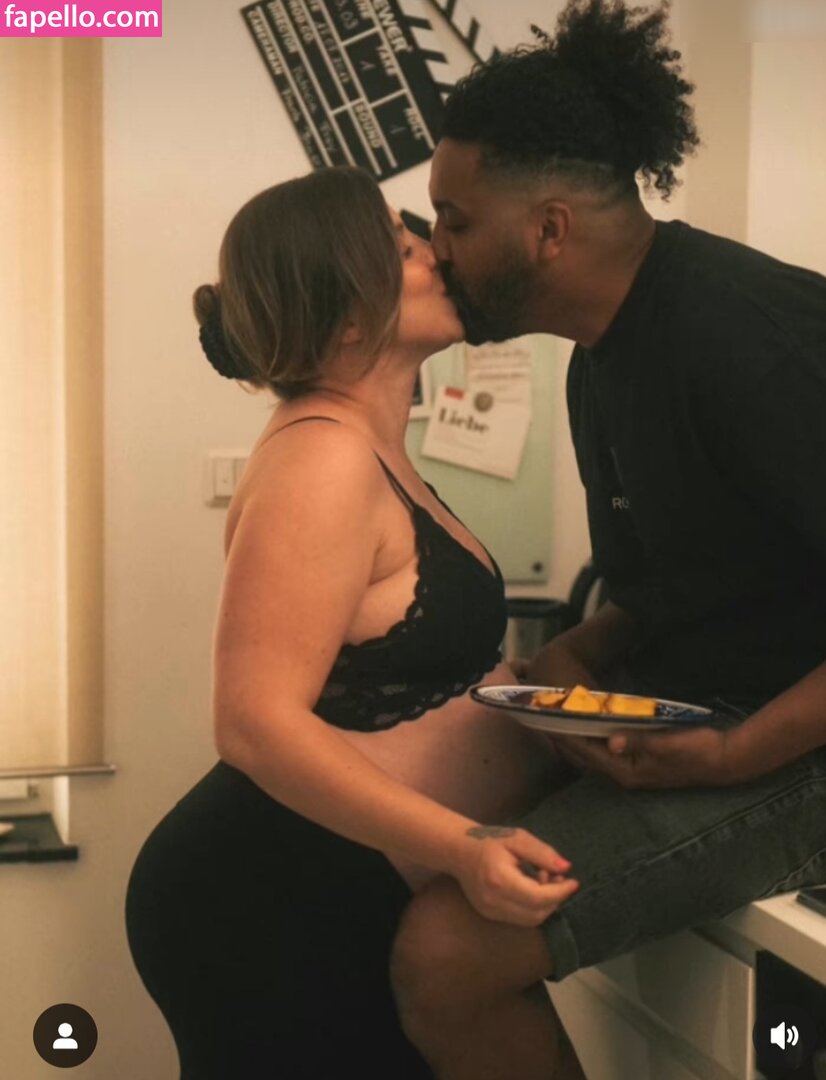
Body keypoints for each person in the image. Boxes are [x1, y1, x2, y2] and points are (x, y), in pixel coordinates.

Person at [388, 2, 826, 1078]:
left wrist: (737, 753)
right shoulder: (599, 362)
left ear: (548, 230)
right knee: (398, 845)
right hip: (715, 722)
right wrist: (581, 652)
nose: (435, 249)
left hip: (816, 762)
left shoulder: (755, 339)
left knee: (444, 957)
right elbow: (687, 575)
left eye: (454, 220)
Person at [124, 166, 578, 1080]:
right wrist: (467, 845)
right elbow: (253, 722)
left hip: (332, 894)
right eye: (406, 250)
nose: (436, 257)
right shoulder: (322, 458)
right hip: (268, 904)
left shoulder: (368, 448)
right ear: (349, 322)